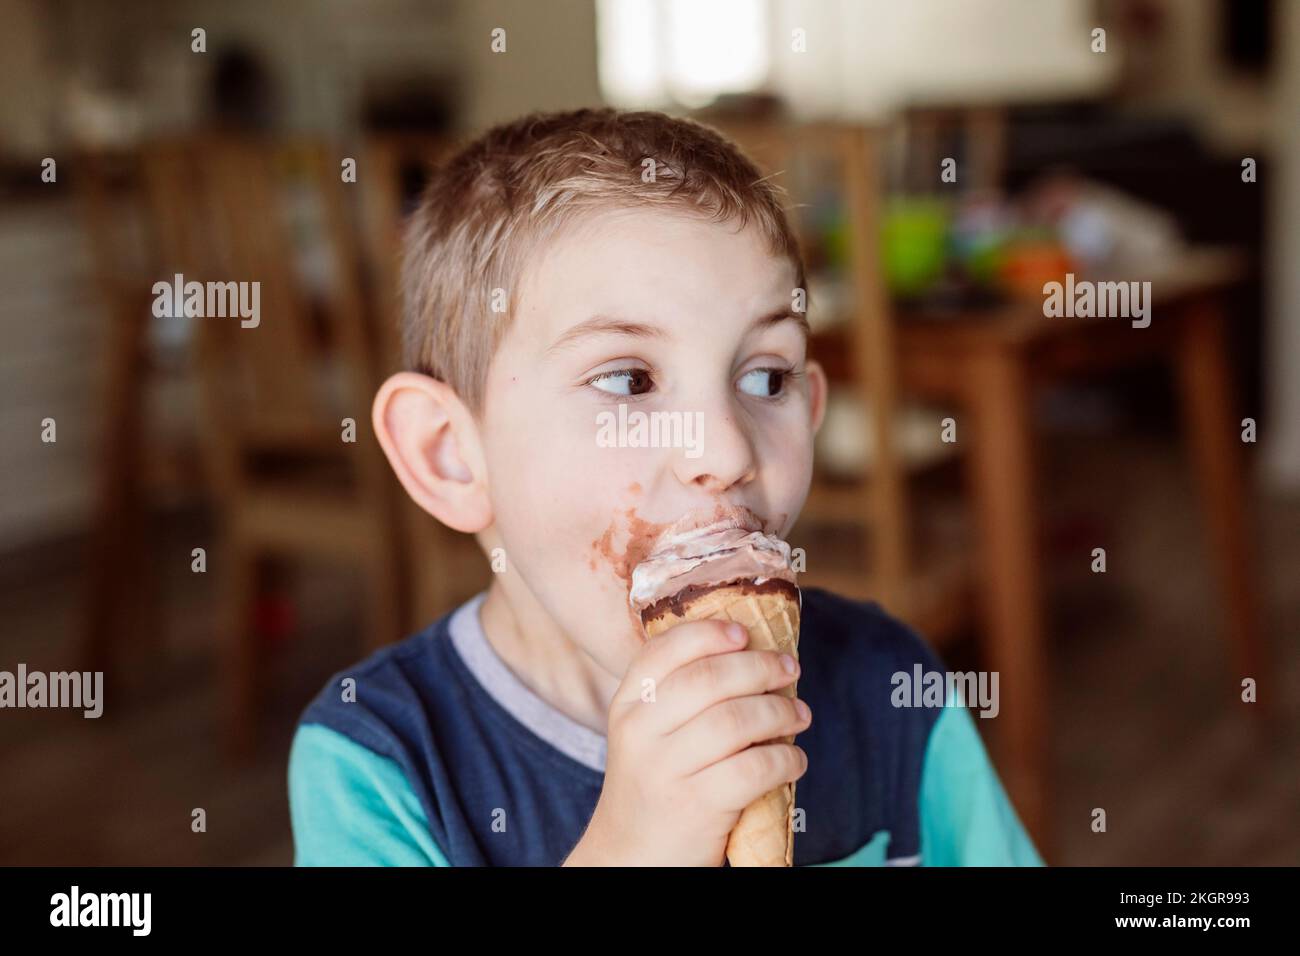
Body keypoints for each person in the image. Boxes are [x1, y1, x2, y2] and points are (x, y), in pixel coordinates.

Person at [288, 108, 1043, 867]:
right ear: (450, 455)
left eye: (766, 376)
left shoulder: (892, 687)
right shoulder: (376, 764)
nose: (723, 449)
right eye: (628, 379)